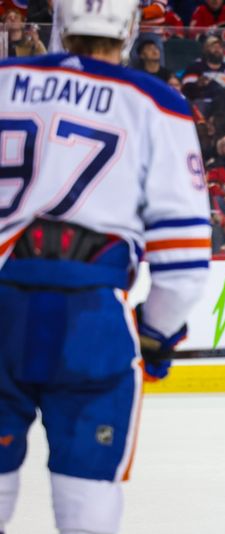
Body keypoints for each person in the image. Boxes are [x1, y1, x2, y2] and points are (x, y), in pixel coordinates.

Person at [0, 1, 211, 533]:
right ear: (129, 25)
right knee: (87, 496)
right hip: (90, 319)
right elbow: (183, 266)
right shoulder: (153, 102)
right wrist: (156, 336)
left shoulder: (4, 80)